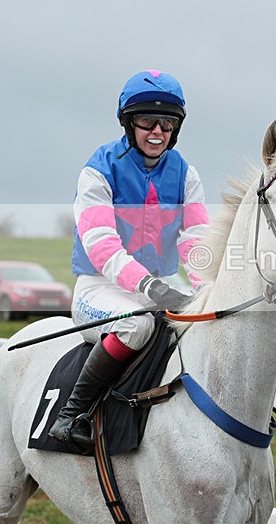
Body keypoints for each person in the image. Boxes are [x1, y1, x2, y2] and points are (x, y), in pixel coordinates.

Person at [49, 70, 210, 446]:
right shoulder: (98, 169)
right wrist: (149, 285)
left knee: (207, 319)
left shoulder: (187, 175)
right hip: (100, 288)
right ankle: (72, 415)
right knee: (135, 328)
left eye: (167, 123)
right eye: (147, 121)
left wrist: (207, 289)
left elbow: (196, 239)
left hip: (158, 284)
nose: (157, 131)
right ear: (128, 123)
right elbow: (101, 243)